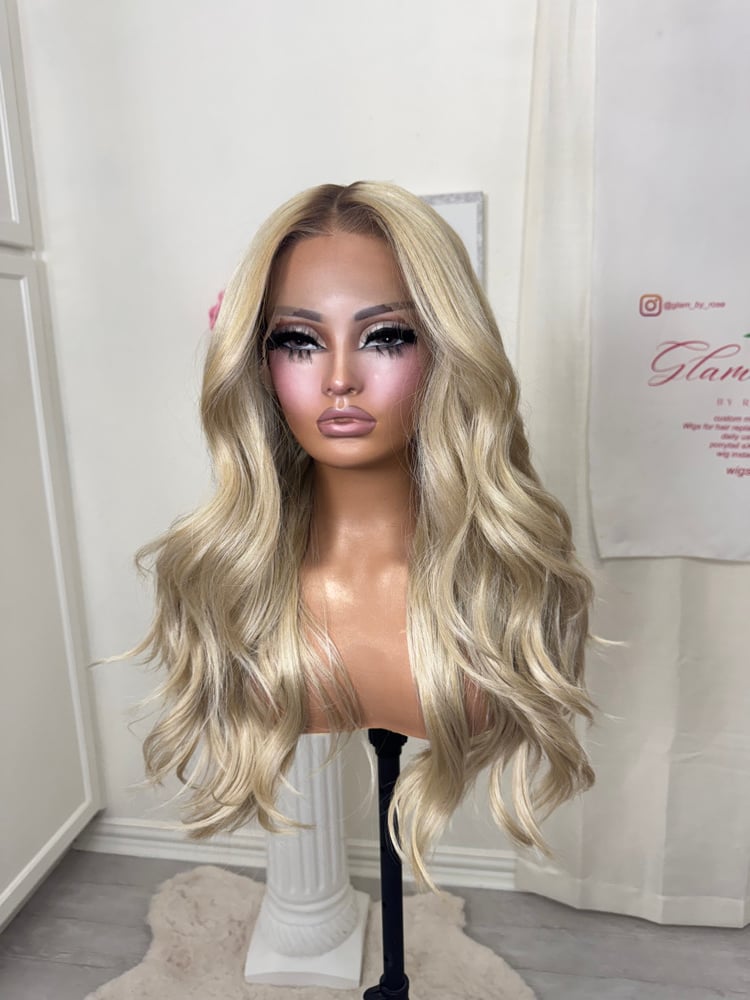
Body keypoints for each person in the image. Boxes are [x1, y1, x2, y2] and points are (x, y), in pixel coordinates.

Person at [133, 181, 595, 889]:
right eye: (299, 341)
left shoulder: (502, 593)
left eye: (385, 337)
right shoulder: (230, 589)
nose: (340, 380)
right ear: (258, 362)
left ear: (445, 349)